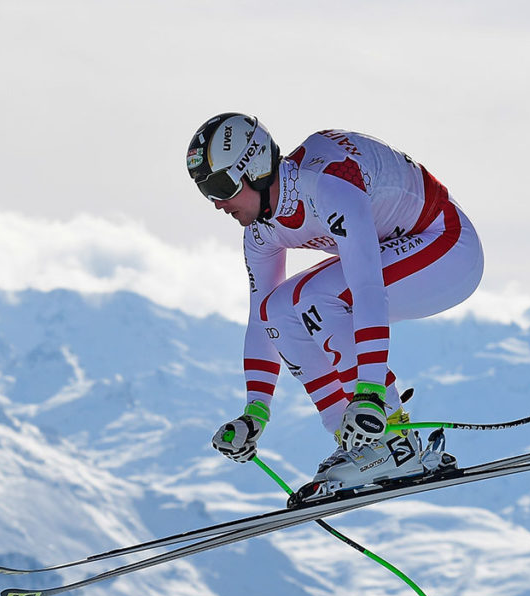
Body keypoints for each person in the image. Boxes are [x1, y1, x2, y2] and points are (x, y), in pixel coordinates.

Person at [187, 112, 484, 494]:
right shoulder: (260, 230)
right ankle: (359, 443)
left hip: (447, 246)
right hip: (402, 255)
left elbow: (367, 290)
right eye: (205, 191)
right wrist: (255, 412)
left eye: (222, 186)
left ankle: (393, 439)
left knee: (314, 297)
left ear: (255, 168)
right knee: (277, 309)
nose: (216, 204)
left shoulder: (327, 185)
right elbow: (263, 320)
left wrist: (372, 394)